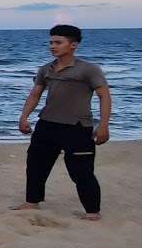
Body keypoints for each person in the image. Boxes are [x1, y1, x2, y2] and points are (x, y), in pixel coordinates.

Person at [14, 24, 111, 219]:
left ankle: (92, 211)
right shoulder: (46, 69)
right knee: (36, 165)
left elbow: (104, 96)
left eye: (58, 42)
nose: (53, 46)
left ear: (73, 45)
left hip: (77, 127)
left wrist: (103, 125)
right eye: (51, 42)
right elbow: (35, 94)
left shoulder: (88, 69)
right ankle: (32, 202)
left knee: (81, 172)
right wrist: (24, 117)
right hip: (47, 124)